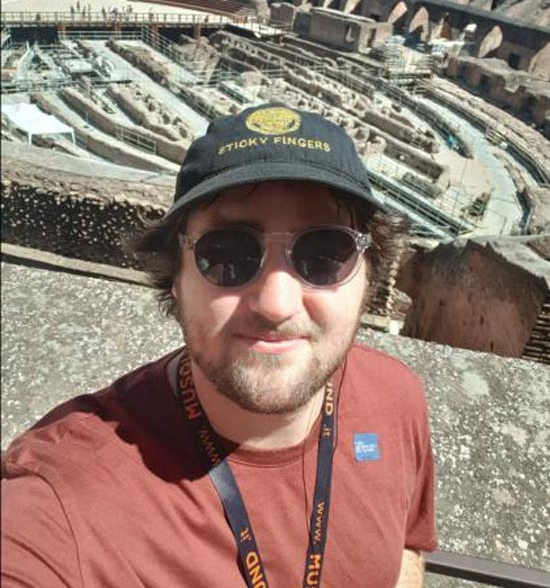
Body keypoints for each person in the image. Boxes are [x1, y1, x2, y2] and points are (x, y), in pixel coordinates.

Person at [2, 103, 437, 587]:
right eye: (227, 254)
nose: (276, 302)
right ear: (175, 279)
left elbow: (405, 548)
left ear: (369, 278)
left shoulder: (398, 401)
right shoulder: (65, 502)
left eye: (324, 255)